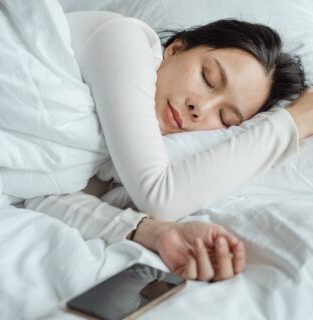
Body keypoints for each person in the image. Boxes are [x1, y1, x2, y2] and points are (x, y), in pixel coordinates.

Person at [25, 11, 313, 282]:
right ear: (175, 48)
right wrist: (295, 123)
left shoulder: (107, 154)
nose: (199, 107)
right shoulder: (121, 39)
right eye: (207, 78)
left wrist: (154, 232)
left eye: (224, 118)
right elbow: (160, 196)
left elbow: (40, 196)